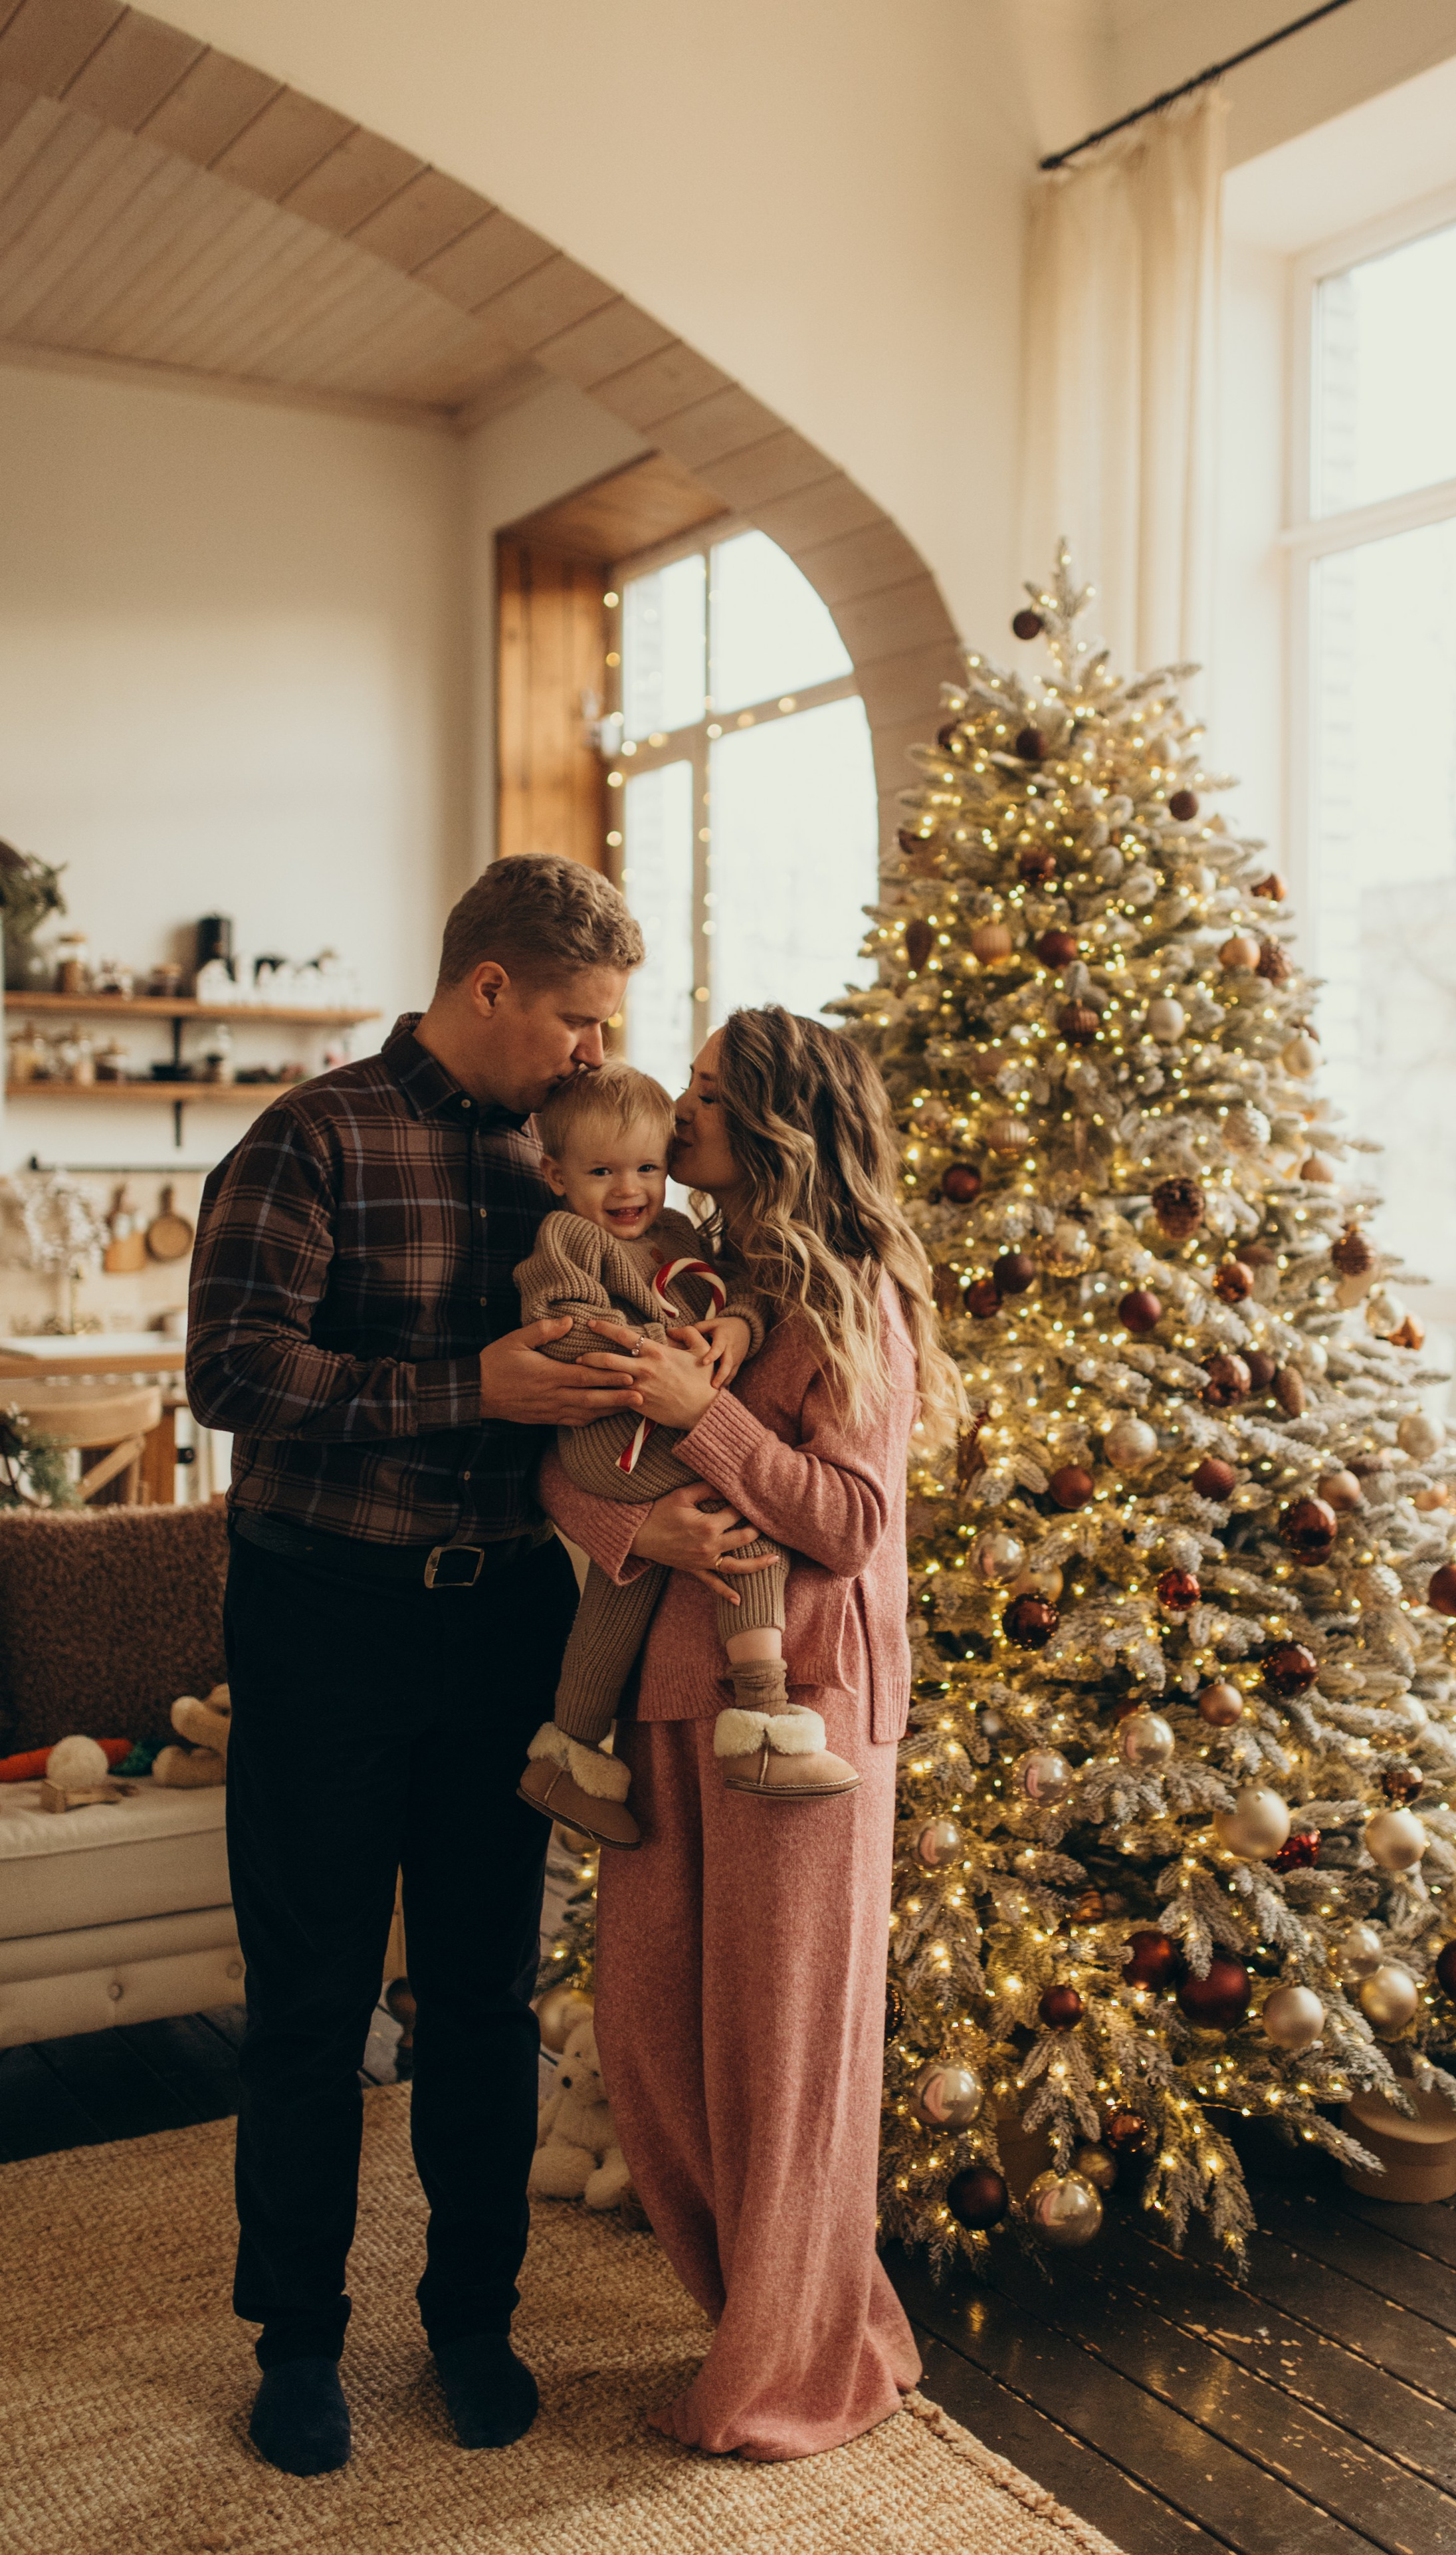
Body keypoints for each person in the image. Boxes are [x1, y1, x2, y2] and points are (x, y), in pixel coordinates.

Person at [186, 855, 653, 2479]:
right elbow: (232, 1372)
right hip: (322, 1616)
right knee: (312, 2005)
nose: (598, 1055)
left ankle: (471, 2319)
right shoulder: (311, 1137)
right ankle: (296, 2342)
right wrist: (471, 1386)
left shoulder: (568, 1160)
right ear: (487, 986)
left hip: (507, 1618)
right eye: (579, 1020)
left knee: (482, 1998)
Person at [540, 1006, 960, 2461]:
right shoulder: (679, 1270)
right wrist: (634, 1523)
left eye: (711, 1094)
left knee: (783, 2059)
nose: (683, 1112)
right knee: (652, 2039)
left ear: (782, 1121)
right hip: (666, 1696)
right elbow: (571, 1459)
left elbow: (850, 1522)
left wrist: (703, 1414)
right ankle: (783, 2316)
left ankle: (787, 2362)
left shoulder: (854, 1300)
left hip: (805, 1715)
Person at [512, 1061, 860, 1852]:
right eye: (601, 1172)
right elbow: (560, 1325)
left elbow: (727, 1292)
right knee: (741, 1522)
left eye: (646, 1167)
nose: (628, 1189)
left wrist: (737, 1324)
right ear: (557, 1176)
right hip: (612, 1432)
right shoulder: (569, 1236)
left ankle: (569, 1753)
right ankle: (764, 1719)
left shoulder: (673, 1235)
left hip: (646, 1428)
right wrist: (657, 1349)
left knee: (622, 1589)